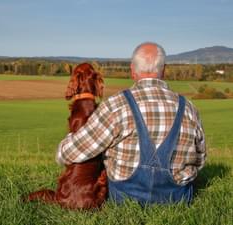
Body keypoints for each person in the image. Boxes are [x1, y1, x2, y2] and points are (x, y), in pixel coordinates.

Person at [56, 42, 206, 205]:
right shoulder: (189, 108)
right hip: (178, 198)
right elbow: (200, 159)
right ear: (164, 70)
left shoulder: (115, 106)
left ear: (132, 71)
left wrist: (68, 141)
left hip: (124, 198)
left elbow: (69, 154)